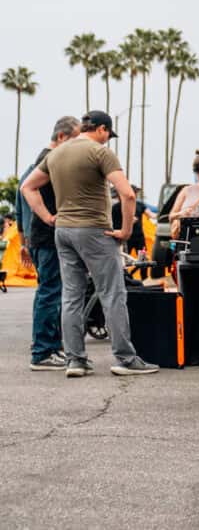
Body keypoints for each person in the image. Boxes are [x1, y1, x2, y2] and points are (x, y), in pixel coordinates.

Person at [21, 110, 158, 377]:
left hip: (63, 231)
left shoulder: (56, 153)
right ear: (102, 129)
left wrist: (49, 217)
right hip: (94, 230)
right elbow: (128, 194)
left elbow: (27, 186)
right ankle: (125, 359)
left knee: (71, 295)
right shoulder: (100, 152)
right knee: (112, 293)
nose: (107, 140)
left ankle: (76, 360)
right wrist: (126, 230)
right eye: (108, 135)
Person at [14, 115, 81, 371]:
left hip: (41, 237)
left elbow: (21, 210)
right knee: (50, 292)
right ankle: (43, 351)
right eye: (75, 139)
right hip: (47, 236)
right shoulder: (48, 162)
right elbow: (25, 194)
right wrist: (48, 218)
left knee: (51, 292)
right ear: (62, 137)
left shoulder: (41, 163)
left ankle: (49, 347)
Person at [112, 184, 150, 278]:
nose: (135, 194)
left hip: (139, 237)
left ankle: (144, 278)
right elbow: (112, 223)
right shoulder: (116, 207)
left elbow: (150, 214)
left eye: (136, 192)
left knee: (143, 259)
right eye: (135, 192)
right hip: (125, 238)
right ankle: (126, 277)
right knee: (123, 260)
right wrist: (129, 221)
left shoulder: (140, 205)